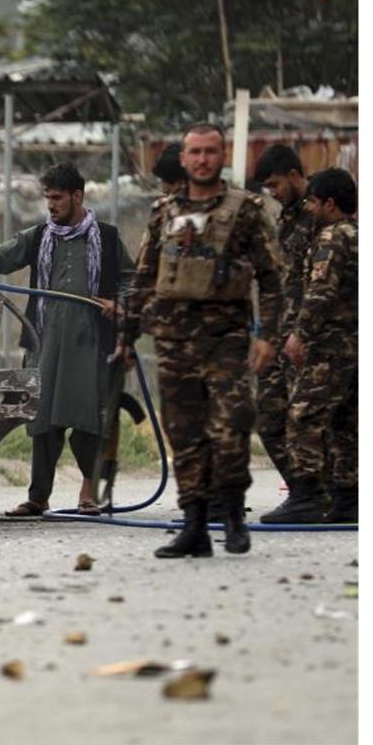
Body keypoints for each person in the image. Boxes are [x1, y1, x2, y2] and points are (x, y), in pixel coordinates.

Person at [117, 124, 283, 558]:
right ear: (185, 158)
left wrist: (267, 335)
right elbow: (144, 276)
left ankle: (231, 515)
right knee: (184, 435)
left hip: (225, 339)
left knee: (231, 427)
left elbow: (271, 277)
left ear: (221, 156)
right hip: (172, 341)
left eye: (211, 152)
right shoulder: (164, 211)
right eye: (195, 152)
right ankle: (194, 525)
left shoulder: (245, 209)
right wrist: (126, 337)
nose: (202, 159)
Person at [0, 162, 133, 516]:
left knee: (89, 422)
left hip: (90, 346)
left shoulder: (109, 238)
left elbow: (133, 281)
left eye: (57, 198)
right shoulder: (40, 237)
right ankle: (38, 497)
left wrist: (121, 305)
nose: (51, 206)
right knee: (42, 422)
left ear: (77, 196)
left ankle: (90, 494)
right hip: (46, 343)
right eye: (47, 199)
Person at [264, 168, 358, 524]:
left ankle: (306, 496)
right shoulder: (358, 234)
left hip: (330, 346)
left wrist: (300, 334)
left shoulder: (332, 237)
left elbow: (321, 291)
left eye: (315, 202)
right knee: (345, 421)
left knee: (303, 415)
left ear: (330, 204)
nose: (310, 208)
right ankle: (349, 497)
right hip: (353, 345)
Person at [250, 145, 318, 498]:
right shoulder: (285, 219)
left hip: (313, 336)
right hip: (280, 335)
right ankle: (302, 490)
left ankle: (320, 492)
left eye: (276, 185)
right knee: (269, 416)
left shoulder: (321, 216)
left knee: (311, 420)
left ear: (294, 176)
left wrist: (305, 331)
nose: (273, 194)